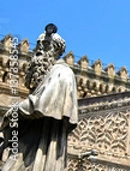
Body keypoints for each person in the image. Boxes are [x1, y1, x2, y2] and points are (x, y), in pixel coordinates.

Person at [0, 24, 78, 171]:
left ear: (56, 50)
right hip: (28, 141)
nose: (40, 50)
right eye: (39, 44)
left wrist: (15, 111)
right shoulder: (46, 75)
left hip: (43, 145)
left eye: (46, 44)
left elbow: (43, 104)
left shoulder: (62, 73)